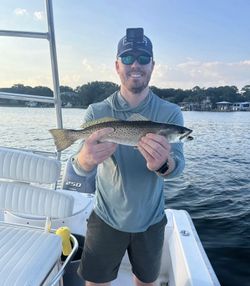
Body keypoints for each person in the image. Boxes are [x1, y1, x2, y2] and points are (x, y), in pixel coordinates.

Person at [73, 28, 185, 286]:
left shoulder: (170, 113)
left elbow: (178, 166)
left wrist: (164, 164)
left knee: (146, 282)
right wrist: (86, 160)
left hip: (152, 221)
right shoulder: (97, 111)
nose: (136, 64)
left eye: (144, 58)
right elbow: (78, 168)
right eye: (127, 58)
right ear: (116, 65)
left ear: (153, 65)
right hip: (105, 217)